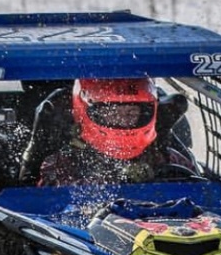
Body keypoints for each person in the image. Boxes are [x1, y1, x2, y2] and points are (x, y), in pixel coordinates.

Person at [18, 77, 198, 187]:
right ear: (87, 112)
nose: (124, 121)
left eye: (131, 113)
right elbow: (52, 205)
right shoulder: (62, 162)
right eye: (113, 114)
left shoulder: (166, 156)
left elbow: (201, 188)